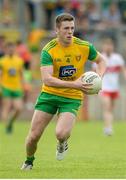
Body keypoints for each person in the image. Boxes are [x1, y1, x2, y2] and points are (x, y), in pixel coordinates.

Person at [21, 13, 106, 170]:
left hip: (71, 97)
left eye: (72, 28)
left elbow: (101, 61)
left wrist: (98, 77)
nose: (70, 32)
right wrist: (75, 84)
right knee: (33, 136)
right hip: (49, 95)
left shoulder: (84, 46)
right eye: (66, 28)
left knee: (61, 133)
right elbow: (47, 79)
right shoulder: (49, 50)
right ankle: (28, 160)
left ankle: (62, 143)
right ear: (57, 30)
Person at [93, 38, 126, 136]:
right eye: (106, 45)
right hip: (104, 88)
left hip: (114, 88)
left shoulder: (118, 58)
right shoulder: (99, 58)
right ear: (103, 47)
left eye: (110, 45)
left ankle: (107, 127)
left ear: (113, 47)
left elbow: (123, 70)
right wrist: (95, 88)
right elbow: (94, 73)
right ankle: (108, 128)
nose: (108, 47)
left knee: (111, 109)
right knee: (107, 107)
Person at [0, 42, 24, 133]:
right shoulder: (2, 61)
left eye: (12, 48)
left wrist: (23, 85)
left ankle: (10, 122)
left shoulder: (19, 60)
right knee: (6, 107)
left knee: (19, 108)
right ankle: (7, 127)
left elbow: (21, 74)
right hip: (6, 87)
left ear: (14, 49)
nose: (11, 50)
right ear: (6, 49)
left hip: (17, 87)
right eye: (9, 48)